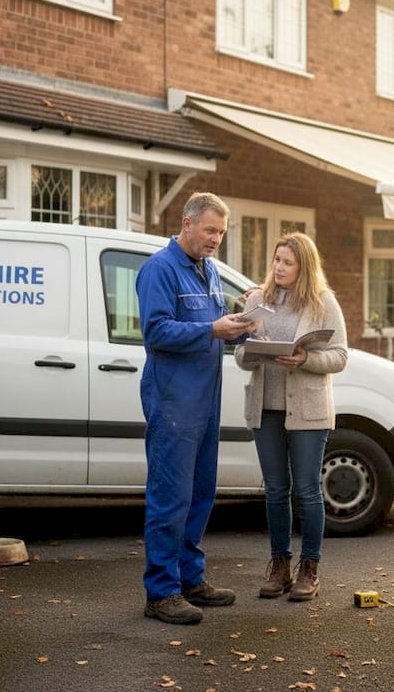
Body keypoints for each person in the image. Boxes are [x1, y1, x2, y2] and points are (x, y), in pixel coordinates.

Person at [136, 192, 257, 625]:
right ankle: (161, 591)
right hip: (173, 401)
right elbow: (156, 332)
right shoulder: (159, 269)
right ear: (186, 224)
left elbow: (218, 329)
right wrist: (212, 328)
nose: (215, 239)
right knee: (170, 496)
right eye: (210, 230)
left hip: (204, 402)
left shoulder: (206, 271)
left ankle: (191, 579)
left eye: (221, 233)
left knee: (201, 493)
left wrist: (245, 326)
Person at [234, 232, 348, 602]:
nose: (279, 268)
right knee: (275, 490)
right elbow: (240, 357)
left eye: (287, 263)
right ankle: (279, 566)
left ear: (304, 267)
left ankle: (309, 568)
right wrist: (252, 347)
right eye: (276, 260)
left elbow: (340, 356)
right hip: (265, 407)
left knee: (308, 490)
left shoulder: (323, 303)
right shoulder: (256, 299)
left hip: (308, 410)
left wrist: (305, 360)